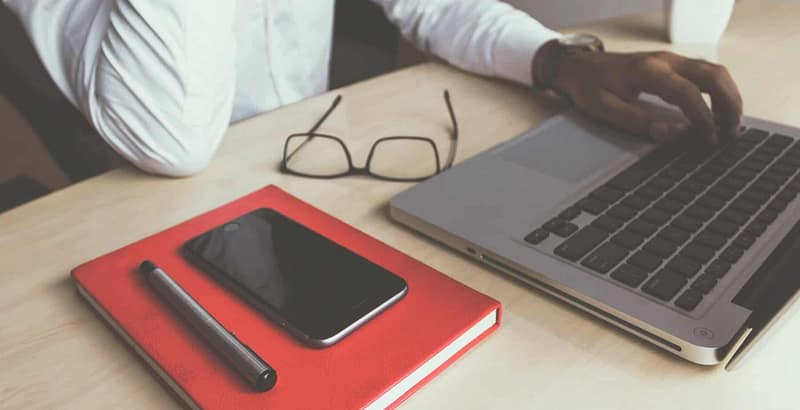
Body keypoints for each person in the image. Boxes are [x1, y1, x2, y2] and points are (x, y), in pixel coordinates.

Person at [2, 0, 742, 178]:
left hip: (306, 168)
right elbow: (170, 141)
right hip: (127, 211)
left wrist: (558, 62)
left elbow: (432, 4)